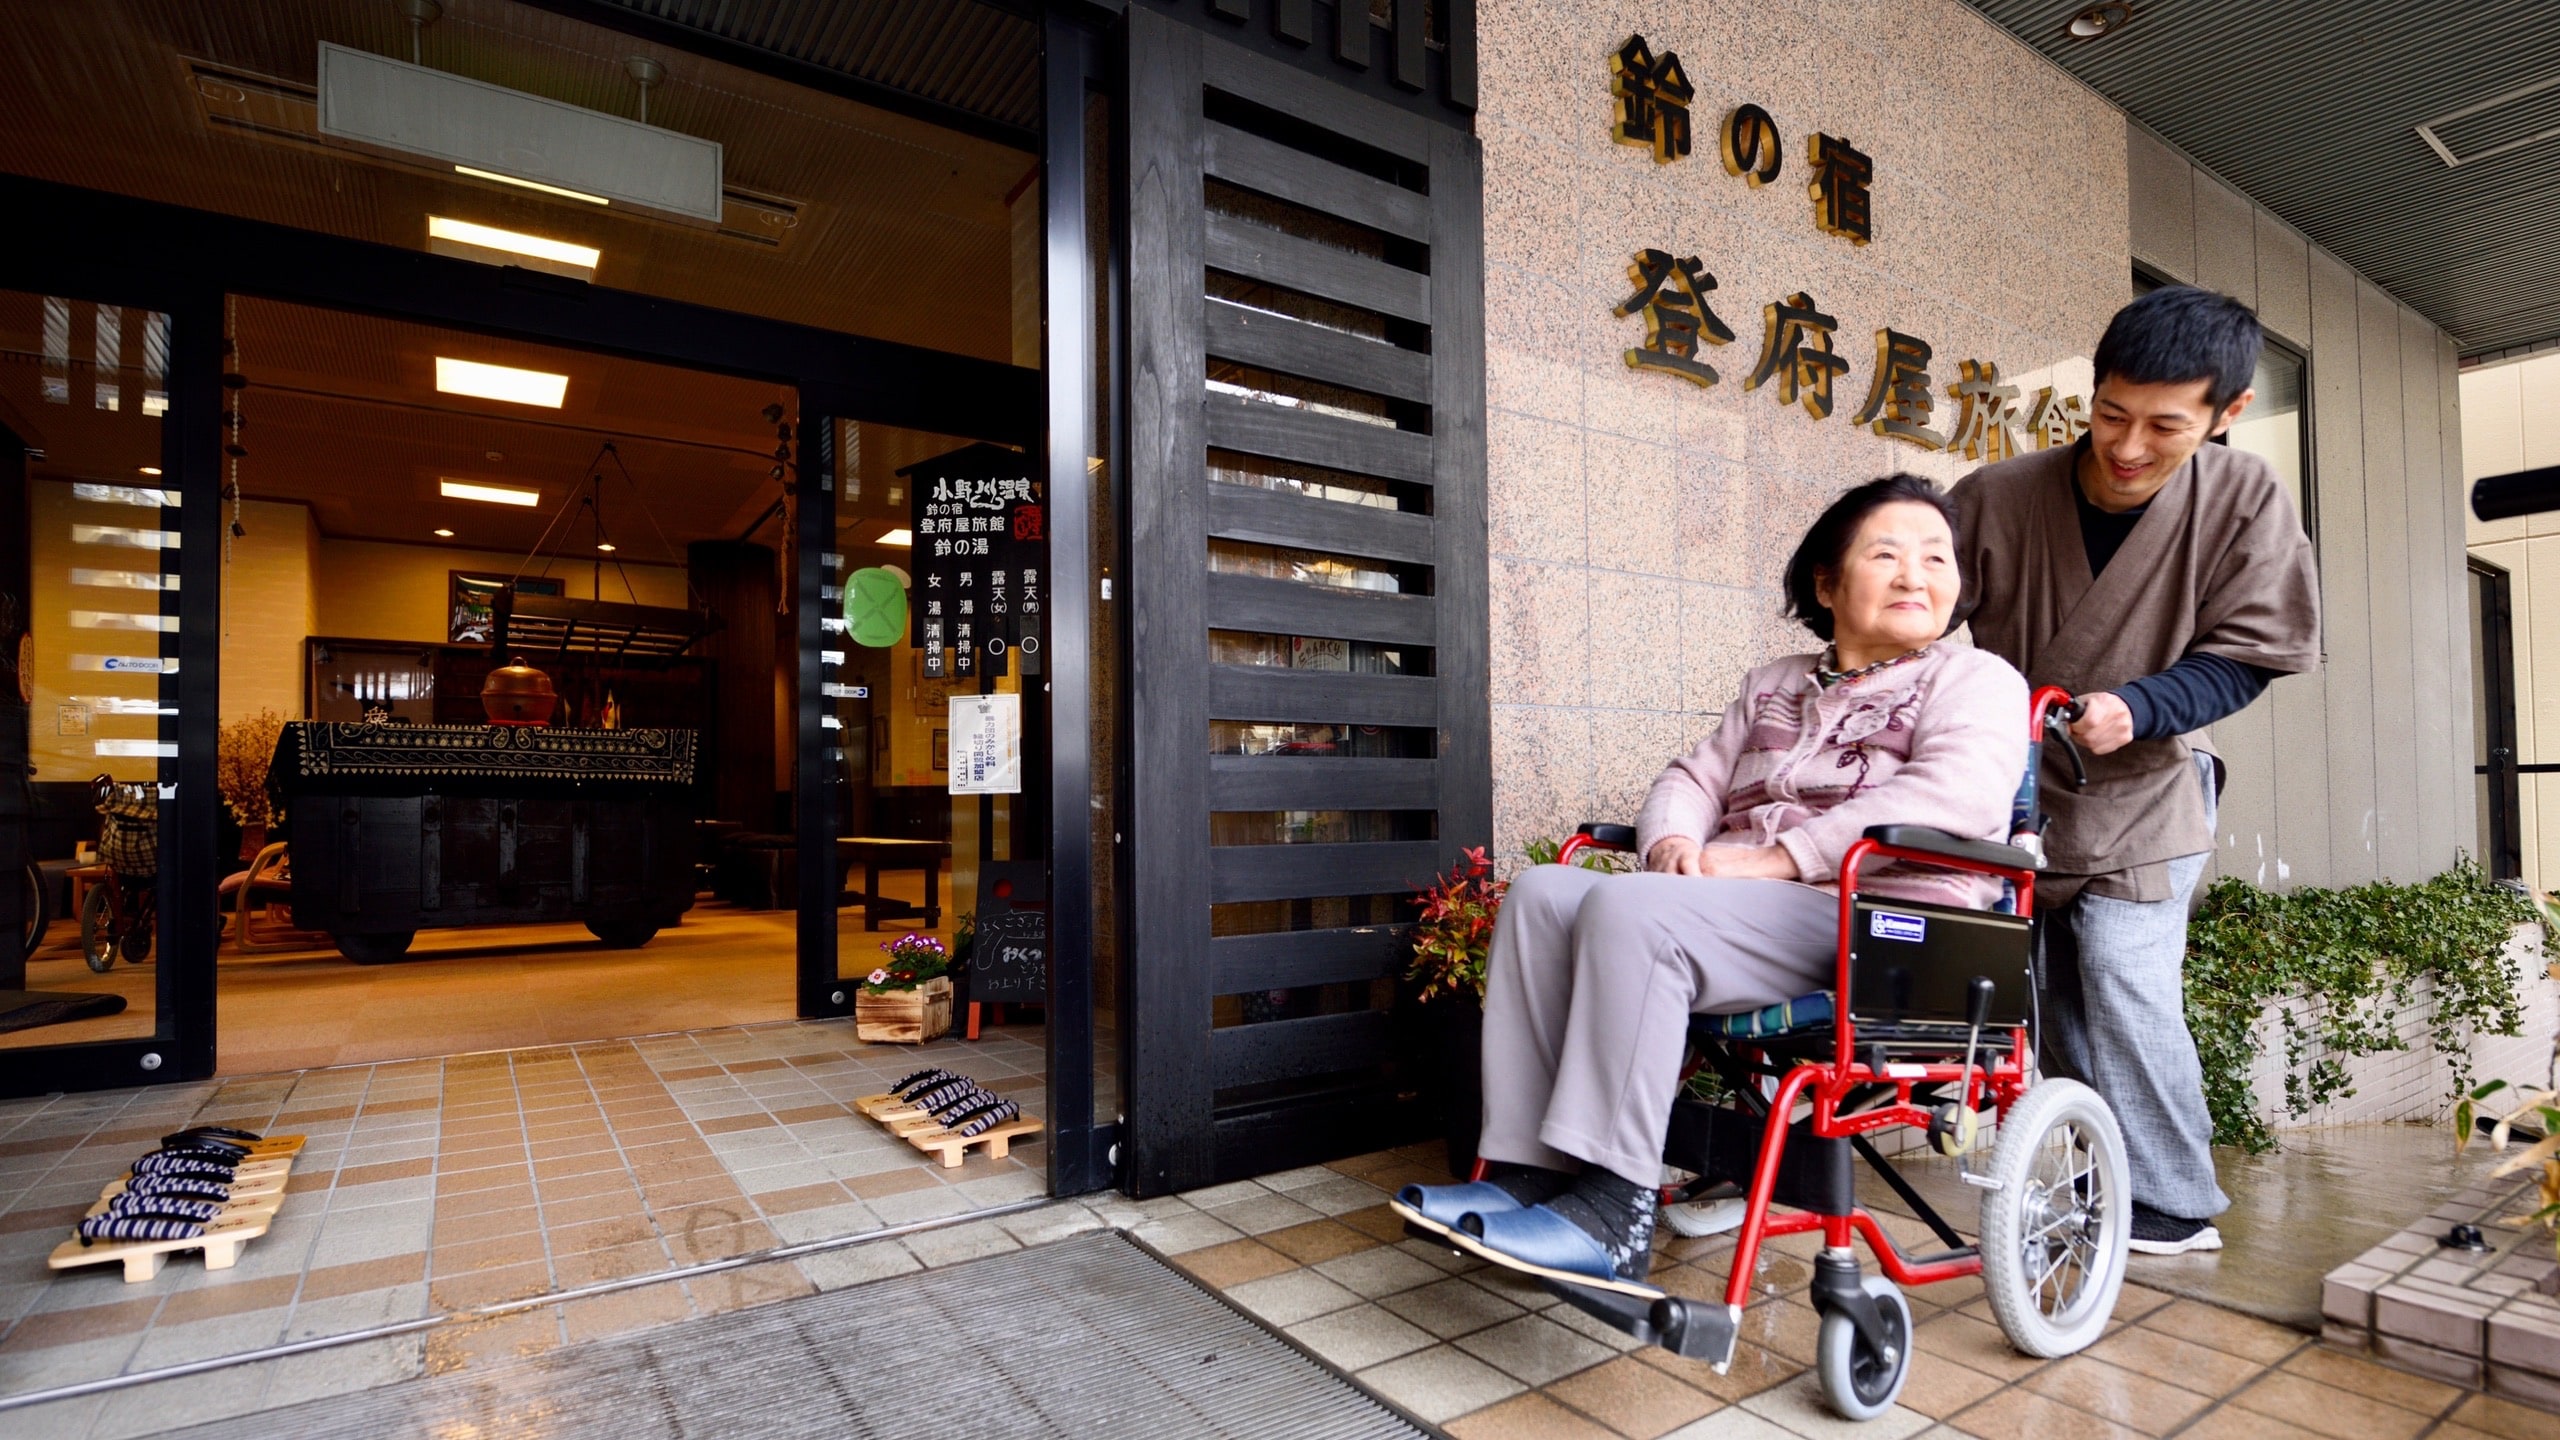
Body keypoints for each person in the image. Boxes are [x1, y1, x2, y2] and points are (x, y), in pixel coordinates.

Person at [1392, 475, 2028, 1295]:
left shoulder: (1973, 681)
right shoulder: (1774, 683)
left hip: (1878, 920)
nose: (1917, 575)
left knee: (1630, 913)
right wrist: (1674, 844)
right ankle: (1527, 1172)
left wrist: (1775, 858)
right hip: (1746, 911)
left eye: (1936, 557)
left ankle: (1613, 1211)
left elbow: (1955, 796)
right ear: (1827, 585)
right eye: (1888, 554)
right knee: (1545, 893)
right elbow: (1692, 776)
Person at [1950, 285, 2320, 1256]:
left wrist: (2143, 705)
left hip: (2146, 786)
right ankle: (2092, 1175)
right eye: (2110, 413)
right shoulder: (1997, 495)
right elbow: (1914, 612)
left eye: (2163, 426)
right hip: (2014, 788)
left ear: (2224, 414)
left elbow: (2252, 652)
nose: (2125, 447)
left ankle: (2173, 1202)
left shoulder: (2246, 502)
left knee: (2119, 970)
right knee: (2042, 991)